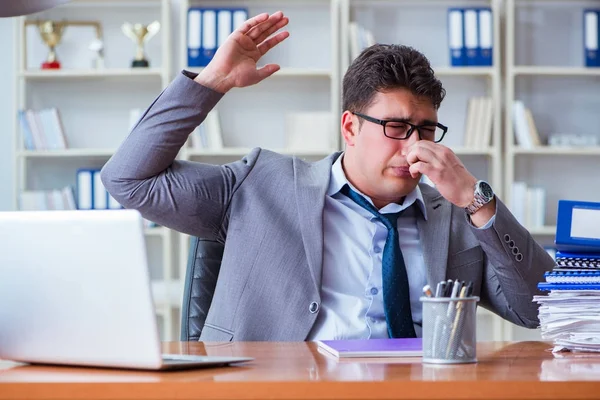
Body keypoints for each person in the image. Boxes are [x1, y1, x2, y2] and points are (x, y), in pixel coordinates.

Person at [101, 11, 554, 341]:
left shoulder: (459, 217)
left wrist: (478, 201)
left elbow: (540, 311)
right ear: (351, 127)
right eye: (395, 127)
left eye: (427, 130)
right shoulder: (260, 185)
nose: (414, 147)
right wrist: (211, 81)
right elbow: (127, 179)